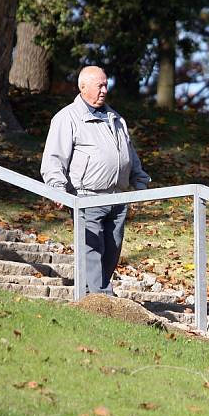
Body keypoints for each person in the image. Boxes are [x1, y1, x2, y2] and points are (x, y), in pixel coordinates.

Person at [40, 66, 150, 295]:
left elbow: (129, 154)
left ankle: (96, 291)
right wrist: (57, 188)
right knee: (91, 248)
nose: (104, 90)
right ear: (83, 87)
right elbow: (53, 158)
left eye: (106, 85)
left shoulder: (116, 118)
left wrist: (139, 180)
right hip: (86, 197)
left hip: (118, 197)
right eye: (99, 85)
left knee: (112, 249)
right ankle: (101, 295)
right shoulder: (67, 117)